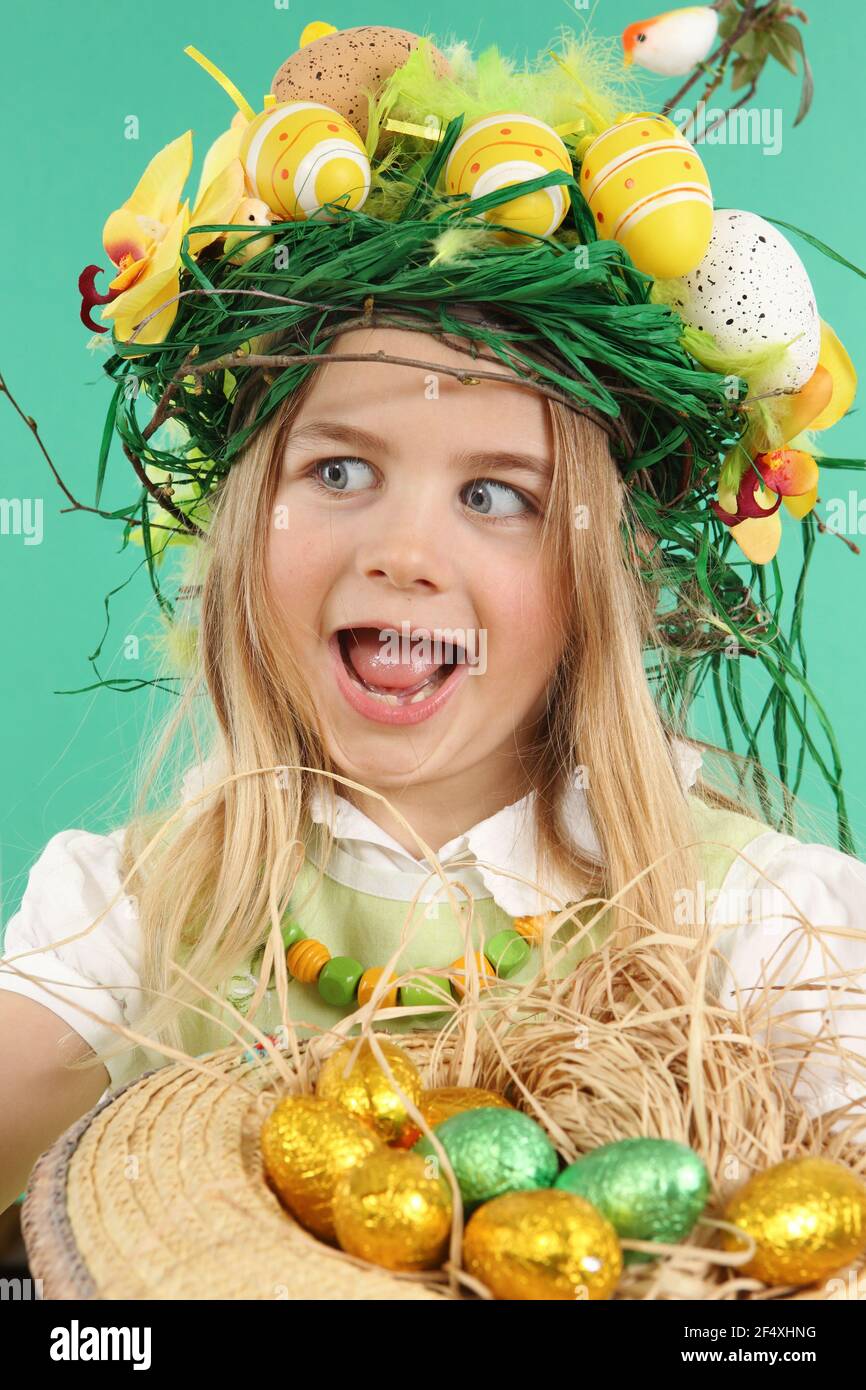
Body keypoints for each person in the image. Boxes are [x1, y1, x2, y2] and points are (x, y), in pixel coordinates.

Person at [2, 25, 865, 1218]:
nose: (403, 553)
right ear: (251, 522)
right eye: (340, 472)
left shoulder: (750, 924)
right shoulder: (131, 918)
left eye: (494, 495)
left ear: (600, 582)